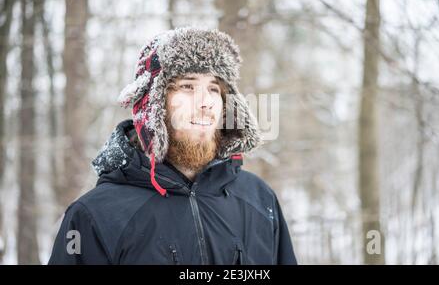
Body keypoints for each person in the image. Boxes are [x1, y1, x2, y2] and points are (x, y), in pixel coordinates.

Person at [48, 27, 297, 265]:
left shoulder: (258, 199)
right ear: (153, 104)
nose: (205, 102)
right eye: (187, 86)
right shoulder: (94, 215)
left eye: (213, 88)